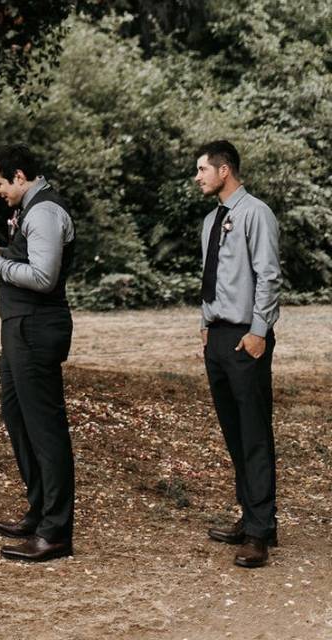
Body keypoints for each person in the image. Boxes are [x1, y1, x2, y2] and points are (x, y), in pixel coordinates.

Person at [0, 144, 76, 562]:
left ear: (18, 176)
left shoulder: (45, 212)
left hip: (37, 328)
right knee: (17, 416)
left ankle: (56, 531)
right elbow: (29, 258)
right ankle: (39, 509)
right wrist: (3, 251)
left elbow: (45, 277)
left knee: (45, 429)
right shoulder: (31, 208)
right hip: (20, 329)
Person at [195, 140, 281, 569]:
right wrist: (205, 327)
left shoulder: (256, 214)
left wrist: (259, 332)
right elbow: (212, 278)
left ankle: (260, 533)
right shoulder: (211, 220)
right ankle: (251, 515)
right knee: (234, 432)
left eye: (202, 169)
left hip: (247, 338)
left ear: (224, 170)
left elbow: (268, 275)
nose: (198, 177)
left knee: (254, 433)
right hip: (218, 338)